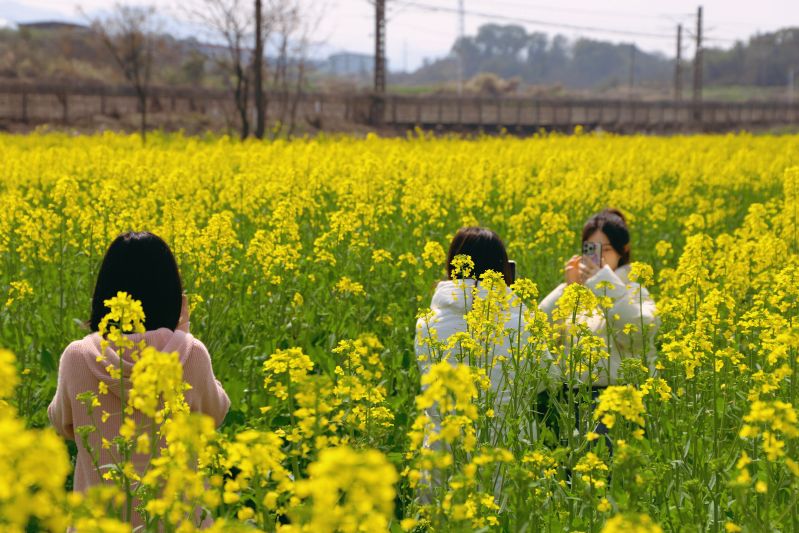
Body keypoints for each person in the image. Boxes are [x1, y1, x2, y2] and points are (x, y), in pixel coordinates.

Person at [48, 231, 230, 528]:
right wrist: (182, 333)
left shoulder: (77, 357)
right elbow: (215, 414)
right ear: (173, 295)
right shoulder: (190, 353)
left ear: (103, 295)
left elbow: (61, 423)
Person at [539, 208, 658, 442]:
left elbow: (637, 334)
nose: (600, 258)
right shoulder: (578, 296)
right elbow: (541, 332)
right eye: (592, 250)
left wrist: (603, 284)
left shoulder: (634, 291)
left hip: (617, 403)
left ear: (623, 251)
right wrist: (568, 289)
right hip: (571, 401)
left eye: (607, 250)